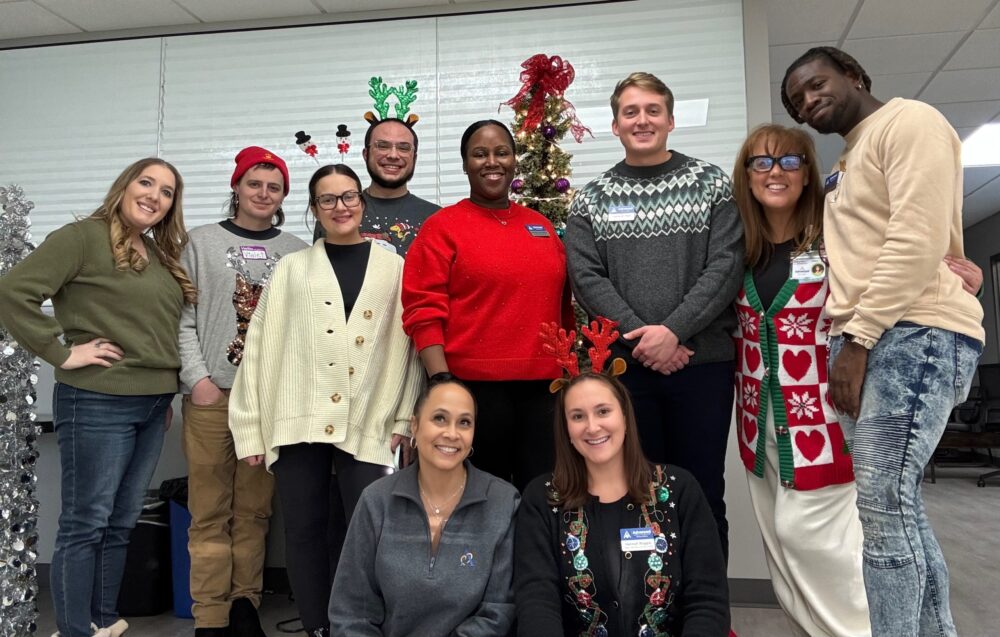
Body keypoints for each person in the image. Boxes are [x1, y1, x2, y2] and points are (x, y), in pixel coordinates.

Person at [782, 46, 985, 636]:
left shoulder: (909, 122)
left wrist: (859, 340)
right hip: (870, 336)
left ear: (853, 74)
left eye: (816, 85)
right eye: (798, 101)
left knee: (882, 509)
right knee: (896, 511)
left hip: (908, 333)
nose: (809, 101)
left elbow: (914, 238)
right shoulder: (849, 157)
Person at [0, 158, 196, 637]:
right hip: (97, 401)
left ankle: (104, 622)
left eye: (167, 191)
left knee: (121, 522)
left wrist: (163, 392)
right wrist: (61, 353)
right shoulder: (82, 237)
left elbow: (152, 331)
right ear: (124, 186)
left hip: (152, 405)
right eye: (146, 182)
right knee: (87, 523)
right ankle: (74, 630)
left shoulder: (154, 252)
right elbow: (12, 291)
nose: (154, 195)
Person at [228, 164, 424, 637]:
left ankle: (358, 624)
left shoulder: (393, 267)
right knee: (305, 529)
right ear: (314, 208)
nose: (341, 207)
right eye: (328, 199)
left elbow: (407, 346)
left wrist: (403, 413)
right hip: (300, 415)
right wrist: (250, 426)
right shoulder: (292, 269)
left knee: (368, 530)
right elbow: (261, 347)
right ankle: (318, 625)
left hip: (369, 417)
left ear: (362, 202)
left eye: (349, 196)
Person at [565, 72, 744, 558]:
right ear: (616, 124)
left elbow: (726, 266)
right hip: (626, 373)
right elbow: (586, 278)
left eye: (651, 110)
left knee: (703, 489)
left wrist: (674, 332)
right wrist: (645, 339)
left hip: (702, 365)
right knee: (636, 491)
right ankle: (650, 611)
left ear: (670, 119)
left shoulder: (711, 185)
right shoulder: (592, 199)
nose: (642, 120)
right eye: (631, 112)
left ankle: (707, 614)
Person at [515, 324, 730, 636]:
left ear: (625, 418)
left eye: (603, 411)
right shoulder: (543, 498)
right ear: (566, 430)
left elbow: (707, 601)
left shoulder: (679, 489)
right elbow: (537, 604)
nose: (592, 427)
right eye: (577, 416)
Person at [177, 146, 307, 636]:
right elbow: (182, 317)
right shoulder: (200, 243)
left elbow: (303, 328)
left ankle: (244, 604)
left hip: (269, 403)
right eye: (255, 183)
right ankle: (209, 614)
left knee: (254, 509)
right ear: (236, 187)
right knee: (209, 509)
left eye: (274, 187)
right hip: (213, 396)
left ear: (283, 197)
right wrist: (198, 380)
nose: (263, 193)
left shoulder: (296, 250)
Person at [402, 119, 573, 490]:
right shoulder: (442, 227)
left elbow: (563, 307)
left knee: (542, 499)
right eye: (479, 154)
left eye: (502, 152)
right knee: (479, 500)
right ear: (465, 163)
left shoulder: (540, 226)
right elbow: (422, 309)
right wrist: (442, 381)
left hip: (544, 392)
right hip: (473, 392)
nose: (491, 162)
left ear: (514, 160)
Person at [329, 374, 519, 636]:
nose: (451, 433)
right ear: (415, 426)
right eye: (439, 418)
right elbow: (352, 613)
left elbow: (498, 612)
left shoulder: (504, 502)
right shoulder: (376, 500)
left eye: (464, 422)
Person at [313, 117, 439, 256]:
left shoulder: (436, 218)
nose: (393, 155)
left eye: (403, 148)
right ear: (366, 154)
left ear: (414, 157)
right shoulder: (336, 212)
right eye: (383, 146)